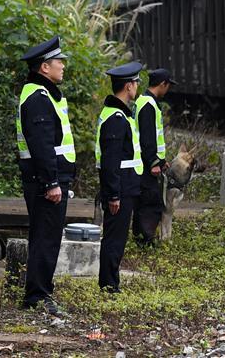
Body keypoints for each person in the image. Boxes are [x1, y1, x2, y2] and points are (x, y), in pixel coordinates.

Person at [16, 35, 77, 316]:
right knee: (45, 238)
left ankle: (40, 293)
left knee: (46, 236)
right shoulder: (38, 98)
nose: (63, 65)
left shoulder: (43, 94)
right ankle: (38, 297)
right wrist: (51, 182)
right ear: (44, 67)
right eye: (58, 61)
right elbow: (42, 145)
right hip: (45, 183)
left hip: (47, 180)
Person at [96, 61, 144, 293]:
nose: (137, 87)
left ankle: (111, 282)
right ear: (128, 86)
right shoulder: (116, 118)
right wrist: (113, 194)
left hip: (125, 186)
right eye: (136, 83)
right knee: (114, 238)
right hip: (121, 188)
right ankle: (109, 286)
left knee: (117, 237)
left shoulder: (120, 114)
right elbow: (110, 160)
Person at [132, 68, 177, 245]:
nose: (168, 89)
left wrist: (161, 161)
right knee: (150, 202)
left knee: (144, 200)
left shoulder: (143, 101)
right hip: (146, 163)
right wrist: (153, 162)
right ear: (162, 84)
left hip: (144, 160)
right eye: (168, 85)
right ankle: (145, 240)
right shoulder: (148, 105)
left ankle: (141, 236)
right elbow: (148, 137)